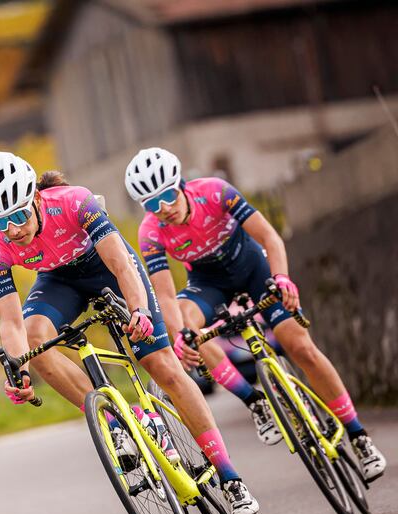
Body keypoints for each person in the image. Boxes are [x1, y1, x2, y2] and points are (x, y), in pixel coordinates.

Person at [0, 151, 259, 514]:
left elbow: (121, 264)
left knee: (162, 366)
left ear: (37, 199)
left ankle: (230, 478)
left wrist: (139, 310)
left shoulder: (75, 201)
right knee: (33, 343)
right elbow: (10, 322)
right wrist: (20, 368)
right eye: (0, 221)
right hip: (59, 281)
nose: (12, 230)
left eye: (18, 216)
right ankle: (116, 424)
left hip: (107, 268)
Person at [127, 147, 386, 482]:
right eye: (152, 204)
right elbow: (163, 294)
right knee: (187, 327)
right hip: (208, 283)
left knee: (300, 345)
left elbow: (268, 236)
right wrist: (179, 335)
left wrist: (281, 278)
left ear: (181, 184)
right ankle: (255, 402)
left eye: (167, 195)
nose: (164, 208)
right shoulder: (150, 232)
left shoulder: (215, 192)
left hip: (253, 268)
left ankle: (358, 435)